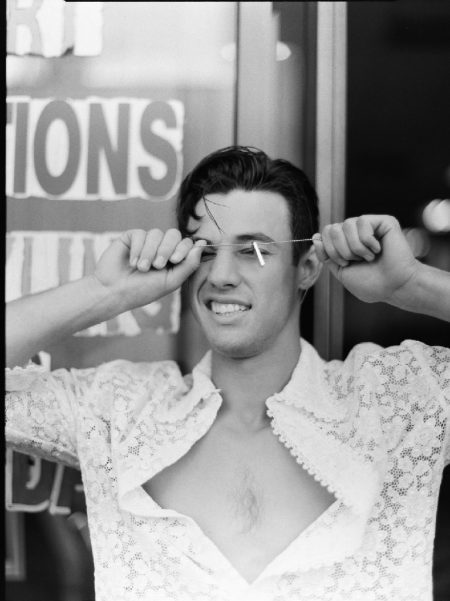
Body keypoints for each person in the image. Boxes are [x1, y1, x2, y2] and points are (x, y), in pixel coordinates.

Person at [5, 146, 450, 601]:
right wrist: (105, 292)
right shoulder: (119, 409)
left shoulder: (395, 401)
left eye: (253, 250)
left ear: (306, 268)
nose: (219, 275)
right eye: (204, 251)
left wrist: (411, 283)